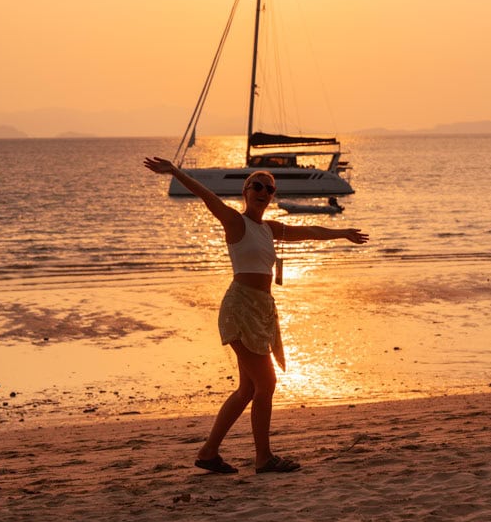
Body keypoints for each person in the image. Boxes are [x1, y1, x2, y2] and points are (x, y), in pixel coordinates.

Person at [144, 157, 368, 474]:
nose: (264, 191)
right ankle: (263, 458)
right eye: (257, 185)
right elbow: (207, 196)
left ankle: (208, 453)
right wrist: (175, 172)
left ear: (272, 196)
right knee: (267, 383)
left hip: (261, 310)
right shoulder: (236, 222)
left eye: (269, 188)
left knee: (248, 389)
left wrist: (342, 232)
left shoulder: (269, 229)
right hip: (239, 308)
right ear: (246, 191)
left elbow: (310, 231)